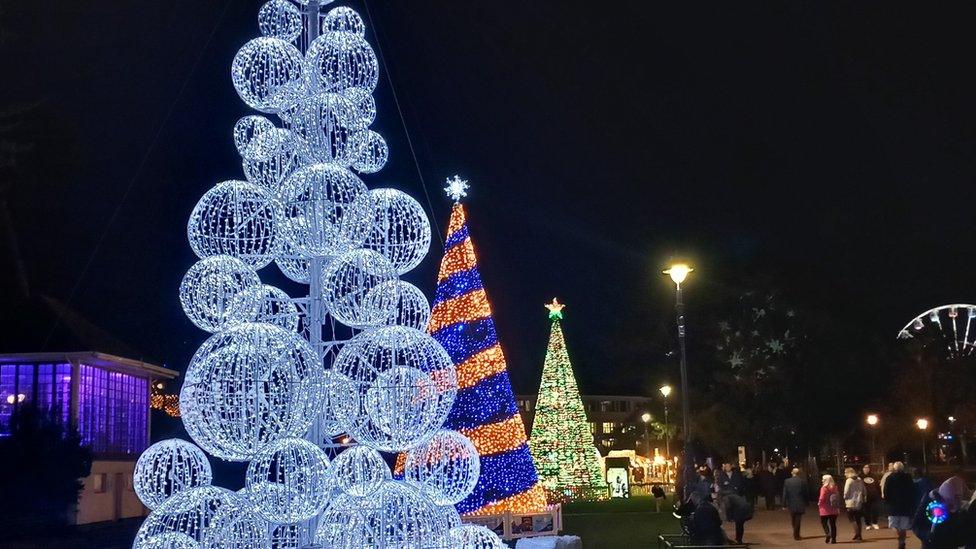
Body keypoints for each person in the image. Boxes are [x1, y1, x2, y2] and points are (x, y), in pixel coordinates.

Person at [884, 462, 916, 549]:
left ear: (894, 468)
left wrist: (887, 501)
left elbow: (886, 492)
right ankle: (902, 540)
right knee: (903, 526)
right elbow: (912, 490)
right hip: (905, 505)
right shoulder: (908, 477)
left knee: (893, 525)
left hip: (893, 505)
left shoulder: (890, 478)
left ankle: (900, 538)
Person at [783, 467, 809, 540]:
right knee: (798, 519)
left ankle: (795, 531)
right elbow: (805, 493)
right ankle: (796, 534)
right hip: (800, 502)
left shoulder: (787, 481)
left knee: (793, 518)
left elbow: (785, 493)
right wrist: (806, 502)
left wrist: (784, 504)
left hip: (791, 502)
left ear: (792, 473)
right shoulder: (802, 482)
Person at [844, 467, 866, 541]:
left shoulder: (849, 481)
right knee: (858, 519)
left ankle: (857, 534)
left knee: (851, 519)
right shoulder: (859, 480)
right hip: (859, 502)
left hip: (850, 502)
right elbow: (864, 490)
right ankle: (859, 534)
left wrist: (845, 497)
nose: (844, 474)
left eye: (845, 473)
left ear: (848, 473)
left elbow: (846, 491)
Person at [819, 474, 840, 544]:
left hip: (824, 509)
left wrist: (819, 503)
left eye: (823, 479)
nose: (822, 480)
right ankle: (834, 539)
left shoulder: (824, 488)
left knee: (824, 523)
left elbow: (822, 498)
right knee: (833, 524)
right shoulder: (835, 487)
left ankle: (828, 533)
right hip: (834, 509)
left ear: (826, 480)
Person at [862, 464, 882, 530]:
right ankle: (868, 524)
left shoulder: (874, 476)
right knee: (866, 511)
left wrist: (879, 494)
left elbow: (878, 486)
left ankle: (875, 523)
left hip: (874, 496)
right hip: (865, 497)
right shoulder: (860, 477)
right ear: (862, 468)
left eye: (867, 467)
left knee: (875, 510)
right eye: (865, 467)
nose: (866, 469)